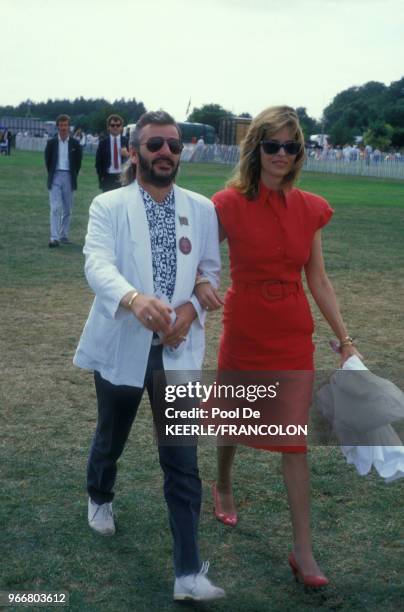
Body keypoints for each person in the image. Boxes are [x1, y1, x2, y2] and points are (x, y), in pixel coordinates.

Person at [195, 105, 361, 589]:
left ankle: (303, 551)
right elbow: (204, 260)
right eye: (273, 145)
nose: (282, 155)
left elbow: (319, 278)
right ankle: (223, 482)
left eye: (291, 146)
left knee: (294, 439)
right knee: (233, 418)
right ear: (256, 149)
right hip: (245, 326)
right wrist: (200, 289)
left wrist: (345, 339)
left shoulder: (311, 207)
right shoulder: (226, 203)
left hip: (292, 331)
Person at [73, 110, 225, 602]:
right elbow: (96, 264)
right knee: (111, 437)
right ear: (134, 151)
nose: (166, 153)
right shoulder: (108, 205)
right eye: (156, 144)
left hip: (177, 353)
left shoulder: (201, 208)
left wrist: (190, 307)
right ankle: (100, 494)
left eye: (174, 146)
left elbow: (209, 271)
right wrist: (135, 300)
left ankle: (187, 572)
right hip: (124, 345)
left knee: (182, 462)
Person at [44, 114, 82, 247]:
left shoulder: (75, 144)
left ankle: (63, 234)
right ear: (57, 126)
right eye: (61, 125)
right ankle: (54, 238)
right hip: (55, 176)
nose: (63, 128)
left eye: (65, 125)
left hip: (69, 177)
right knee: (55, 208)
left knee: (67, 209)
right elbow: (48, 161)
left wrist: (72, 175)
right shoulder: (51, 143)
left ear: (69, 127)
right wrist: (53, 174)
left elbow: (78, 163)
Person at [95, 114, 129, 192]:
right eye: (112, 125)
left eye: (118, 125)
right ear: (108, 127)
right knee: (108, 202)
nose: (115, 127)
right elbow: (98, 162)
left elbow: (135, 159)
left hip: (123, 177)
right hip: (108, 178)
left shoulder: (127, 141)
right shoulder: (103, 143)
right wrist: (102, 176)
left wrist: (127, 155)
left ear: (121, 127)